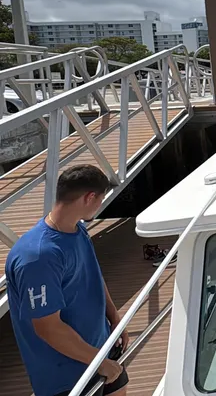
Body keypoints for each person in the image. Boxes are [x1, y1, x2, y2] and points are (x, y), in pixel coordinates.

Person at [5, 165, 130, 396]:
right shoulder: (38, 256)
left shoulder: (77, 229)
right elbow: (48, 328)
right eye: (100, 199)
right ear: (90, 197)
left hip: (101, 350)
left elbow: (92, 273)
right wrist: (99, 363)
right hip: (66, 377)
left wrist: (114, 318)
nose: (100, 205)